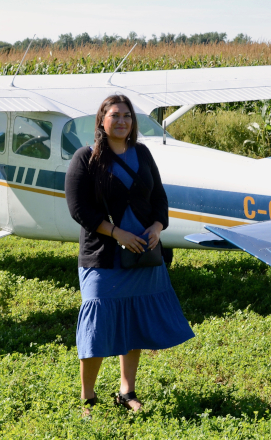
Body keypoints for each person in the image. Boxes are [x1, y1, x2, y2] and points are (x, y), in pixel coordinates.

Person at [65, 94, 194, 414]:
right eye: (115, 115)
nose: (122, 120)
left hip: (144, 255)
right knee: (97, 326)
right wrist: (117, 233)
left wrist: (157, 228)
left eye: (127, 116)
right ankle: (88, 398)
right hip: (103, 258)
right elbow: (78, 209)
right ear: (101, 120)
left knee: (134, 320)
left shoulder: (143, 153)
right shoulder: (86, 157)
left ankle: (126, 391)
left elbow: (160, 199)